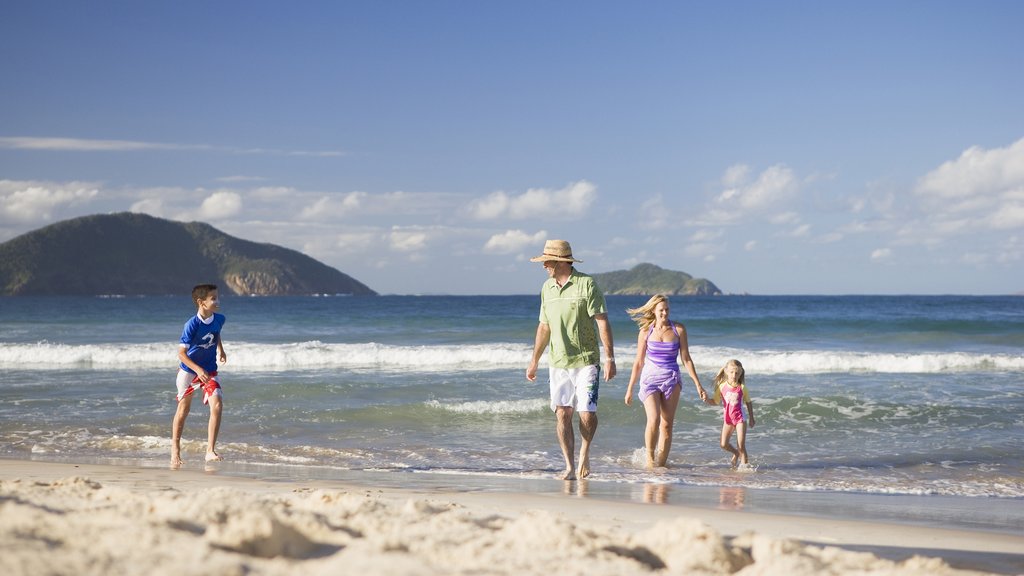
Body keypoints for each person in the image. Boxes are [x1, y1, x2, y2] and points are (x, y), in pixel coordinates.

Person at [526, 239, 616, 480]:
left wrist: (610, 358)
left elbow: (602, 321)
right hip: (558, 362)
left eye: (547, 260)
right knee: (562, 414)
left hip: (587, 360)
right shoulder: (547, 288)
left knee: (586, 413)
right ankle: (569, 465)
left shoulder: (587, 284)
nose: (544, 265)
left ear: (560, 261)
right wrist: (534, 359)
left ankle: (584, 455)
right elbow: (544, 326)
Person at [623, 295, 707, 468]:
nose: (664, 313)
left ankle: (661, 465)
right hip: (649, 380)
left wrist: (698, 384)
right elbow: (639, 361)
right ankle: (650, 461)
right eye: (661, 310)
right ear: (653, 310)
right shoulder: (646, 332)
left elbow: (686, 359)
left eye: (667, 309)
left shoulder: (678, 330)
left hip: (671, 379)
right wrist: (630, 388)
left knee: (667, 425)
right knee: (653, 419)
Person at [171, 283, 227, 469]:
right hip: (188, 372)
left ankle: (210, 450)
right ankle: (175, 450)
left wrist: (221, 349)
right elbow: (181, 354)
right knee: (183, 411)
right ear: (201, 302)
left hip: (209, 370)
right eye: (213, 298)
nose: (218, 301)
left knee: (217, 404)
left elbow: (216, 333)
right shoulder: (191, 325)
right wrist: (198, 369)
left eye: (218, 297)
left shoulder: (220, 319)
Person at [706, 359, 755, 467]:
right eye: (732, 372)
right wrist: (706, 400)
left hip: (740, 419)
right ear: (726, 371)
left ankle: (744, 468)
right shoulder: (722, 387)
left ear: (740, 373)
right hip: (728, 420)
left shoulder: (742, 388)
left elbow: (748, 402)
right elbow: (715, 401)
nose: (734, 375)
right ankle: (736, 453)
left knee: (741, 445)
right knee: (723, 444)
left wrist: (751, 418)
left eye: (737, 373)